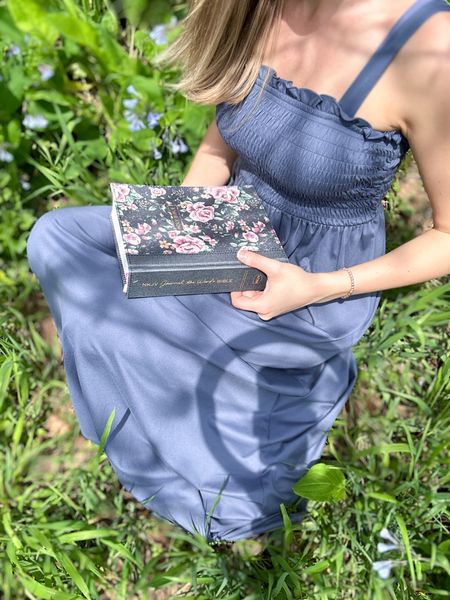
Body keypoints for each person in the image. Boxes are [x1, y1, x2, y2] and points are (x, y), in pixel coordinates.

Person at [26, 0, 450, 544]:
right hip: (229, 232)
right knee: (60, 239)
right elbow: (219, 143)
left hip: (310, 283)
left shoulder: (425, 44)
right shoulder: (259, 7)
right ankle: (156, 408)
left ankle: (239, 457)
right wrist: (175, 240)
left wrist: (319, 287)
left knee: (136, 316)